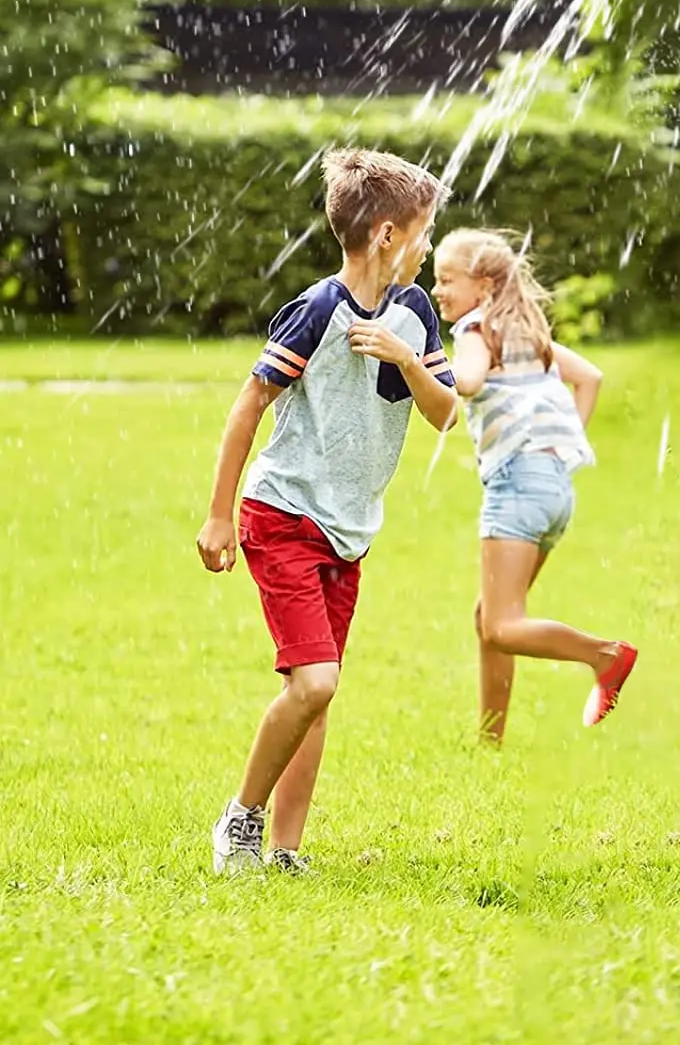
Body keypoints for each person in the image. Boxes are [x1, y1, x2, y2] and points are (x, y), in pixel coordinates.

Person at [196, 148, 457, 873]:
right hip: (282, 515)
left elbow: (446, 415)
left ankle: (284, 852)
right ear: (384, 236)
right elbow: (249, 404)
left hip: (348, 532)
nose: (428, 245)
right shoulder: (317, 310)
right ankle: (239, 821)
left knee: (313, 695)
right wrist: (219, 516)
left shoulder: (414, 312)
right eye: (423, 232)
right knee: (316, 681)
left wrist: (406, 357)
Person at [431, 228, 636, 743]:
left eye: (446, 280)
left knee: (501, 625)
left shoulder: (477, 330)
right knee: (491, 616)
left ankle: (604, 656)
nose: (437, 291)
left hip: (518, 488)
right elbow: (590, 377)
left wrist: (420, 364)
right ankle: (490, 738)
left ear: (482, 286)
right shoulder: (528, 332)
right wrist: (558, 451)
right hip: (553, 490)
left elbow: (470, 381)